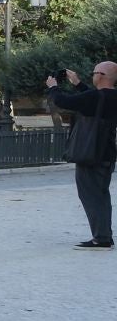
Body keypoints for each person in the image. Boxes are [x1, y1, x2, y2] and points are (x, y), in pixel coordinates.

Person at [47, 62, 117, 248]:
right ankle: (104, 235)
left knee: (90, 195)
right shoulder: (110, 97)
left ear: (101, 75)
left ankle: (101, 238)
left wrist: (53, 88)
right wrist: (77, 83)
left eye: (94, 72)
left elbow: (63, 101)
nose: (92, 75)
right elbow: (94, 101)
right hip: (106, 154)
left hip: (90, 154)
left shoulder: (95, 97)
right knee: (101, 195)